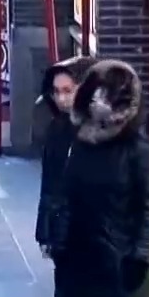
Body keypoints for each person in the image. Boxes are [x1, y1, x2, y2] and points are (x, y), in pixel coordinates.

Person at [41, 59, 149, 297]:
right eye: (94, 94)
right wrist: (56, 239)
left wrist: (139, 258)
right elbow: (63, 194)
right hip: (74, 260)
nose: (98, 102)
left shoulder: (138, 150)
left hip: (117, 262)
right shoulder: (81, 141)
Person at [35, 59, 86, 253]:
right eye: (56, 92)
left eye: (67, 91)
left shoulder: (98, 131)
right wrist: (45, 233)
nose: (61, 99)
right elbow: (49, 184)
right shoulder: (57, 128)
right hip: (62, 227)